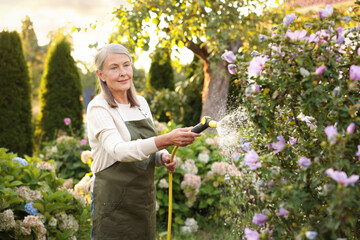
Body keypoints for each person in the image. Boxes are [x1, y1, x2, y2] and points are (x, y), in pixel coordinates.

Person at [86, 43, 201, 240]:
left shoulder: (140, 104)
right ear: (101, 75)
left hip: (142, 200)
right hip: (113, 202)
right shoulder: (99, 107)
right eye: (114, 68)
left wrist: (161, 156)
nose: (123, 73)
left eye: (126, 65)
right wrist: (165, 139)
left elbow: (145, 146)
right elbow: (119, 151)